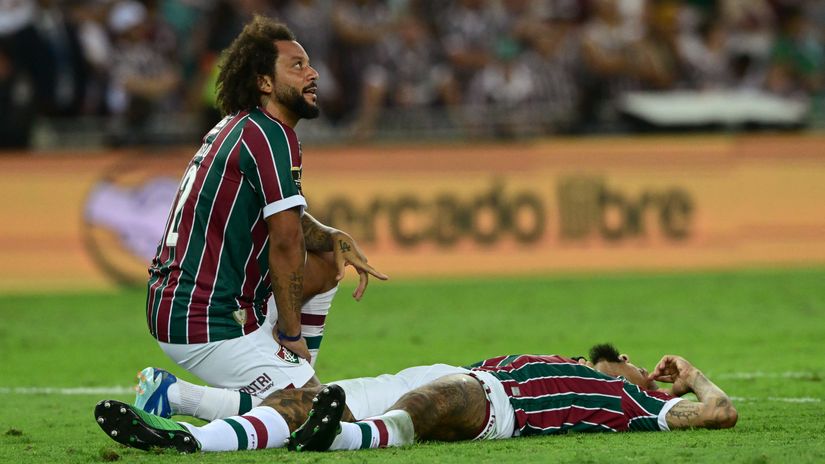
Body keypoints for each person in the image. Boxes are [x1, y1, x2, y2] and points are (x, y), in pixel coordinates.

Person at [138, 15, 387, 421]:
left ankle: (294, 376)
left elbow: (292, 223)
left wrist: (333, 235)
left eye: (309, 64)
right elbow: (286, 241)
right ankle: (182, 396)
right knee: (321, 414)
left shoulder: (243, 127)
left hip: (184, 301)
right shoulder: (269, 136)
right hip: (205, 317)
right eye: (297, 66)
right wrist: (290, 334)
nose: (313, 74)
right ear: (265, 83)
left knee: (327, 260)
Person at [93, 343, 737, 453]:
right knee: (300, 398)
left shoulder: (634, 410)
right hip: (439, 371)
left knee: (441, 401)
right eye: (628, 360)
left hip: (489, 402)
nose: (639, 369)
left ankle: (343, 438)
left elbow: (720, 412)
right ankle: (183, 435)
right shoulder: (568, 366)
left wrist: (694, 376)